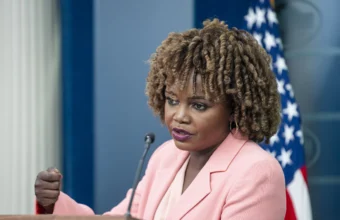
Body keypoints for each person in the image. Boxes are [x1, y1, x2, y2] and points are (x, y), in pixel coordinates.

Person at [35, 18, 286, 220]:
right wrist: (52, 203)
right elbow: (117, 217)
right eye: (172, 100)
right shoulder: (166, 156)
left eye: (199, 105)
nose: (179, 116)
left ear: (234, 108)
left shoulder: (256, 171)